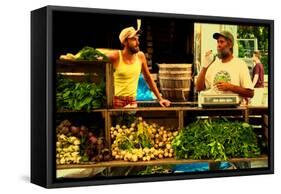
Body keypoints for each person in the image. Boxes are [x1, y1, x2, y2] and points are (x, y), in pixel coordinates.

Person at [100, 26, 171, 108]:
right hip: (116, 101)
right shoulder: (116, 56)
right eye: (134, 39)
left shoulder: (140, 56)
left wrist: (160, 99)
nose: (138, 43)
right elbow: (98, 62)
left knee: (134, 121)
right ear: (125, 42)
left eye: (138, 39)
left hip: (132, 102)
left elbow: (148, 77)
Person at [196, 31, 254, 100]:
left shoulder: (240, 64)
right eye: (217, 42)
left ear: (230, 45)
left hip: (233, 109)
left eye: (222, 42)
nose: (218, 45)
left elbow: (250, 93)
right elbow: (199, 88)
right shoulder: (214, 65)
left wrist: (230, 87)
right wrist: (204, 66)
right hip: (214, 109)